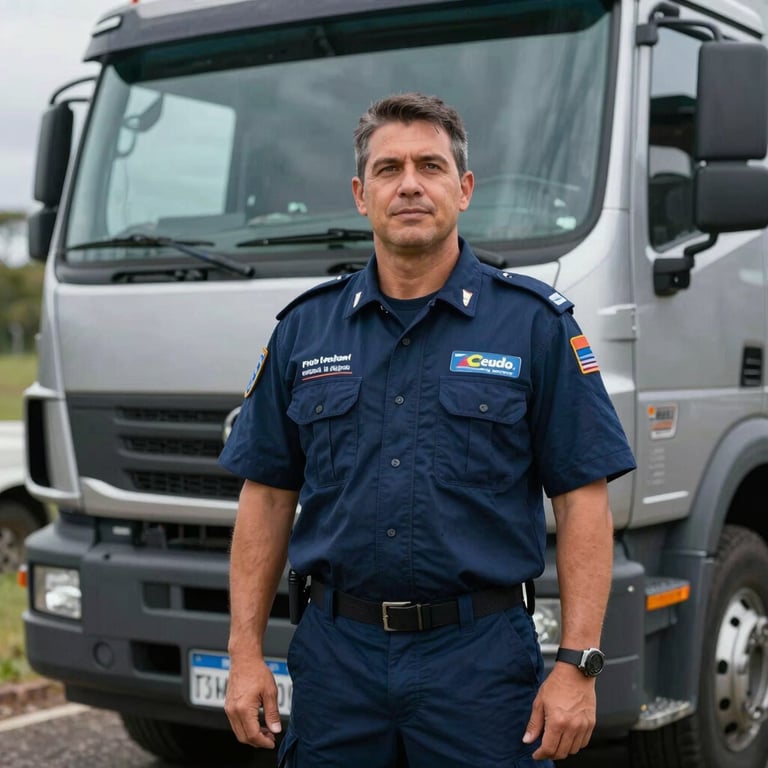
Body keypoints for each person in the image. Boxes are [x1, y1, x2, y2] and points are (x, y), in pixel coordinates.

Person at [219, 92, 636, 767]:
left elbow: (582, 500)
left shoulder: (534, 324)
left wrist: (578, 665)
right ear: (361, 194)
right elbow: (266, 496)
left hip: (478, 662)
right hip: (335, 658)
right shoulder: (304, 329)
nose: (409, 184)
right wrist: (244, 655)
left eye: (430, 166)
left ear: (463, 188)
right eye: (388, 170)